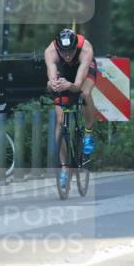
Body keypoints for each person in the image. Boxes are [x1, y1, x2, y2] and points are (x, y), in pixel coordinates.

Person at [44, 29, 97, 184]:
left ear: (76, 47)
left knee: (84, 94)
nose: (67, 55)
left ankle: (88, 133)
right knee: (60, 122)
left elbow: (78, 85)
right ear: (58, 48)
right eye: (64, 51)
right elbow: (51, 81)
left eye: (70, 51)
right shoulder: (51, 52)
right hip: (63, 71)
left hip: (82, 72)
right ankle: (64, 167)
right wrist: (53, 84)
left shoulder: (86, 49)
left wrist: (70, 85)